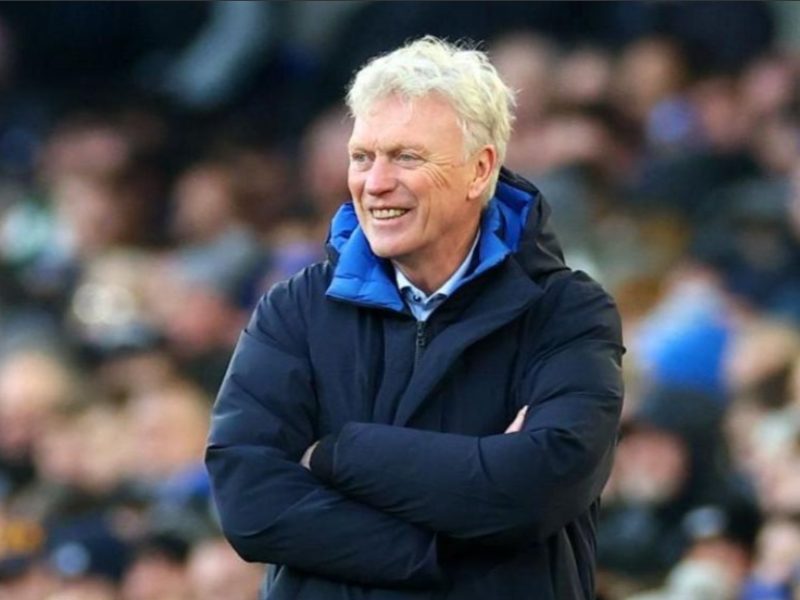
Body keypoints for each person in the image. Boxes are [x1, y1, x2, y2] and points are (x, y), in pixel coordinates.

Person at [205, 36, 624, 600]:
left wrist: (334, 454)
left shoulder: (566, 311)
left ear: (480, 170)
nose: (375, 183)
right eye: (362, 157)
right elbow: (250, 505)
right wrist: (440, 548)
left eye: (406, 157)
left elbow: (537, 488)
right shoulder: (294, 309)